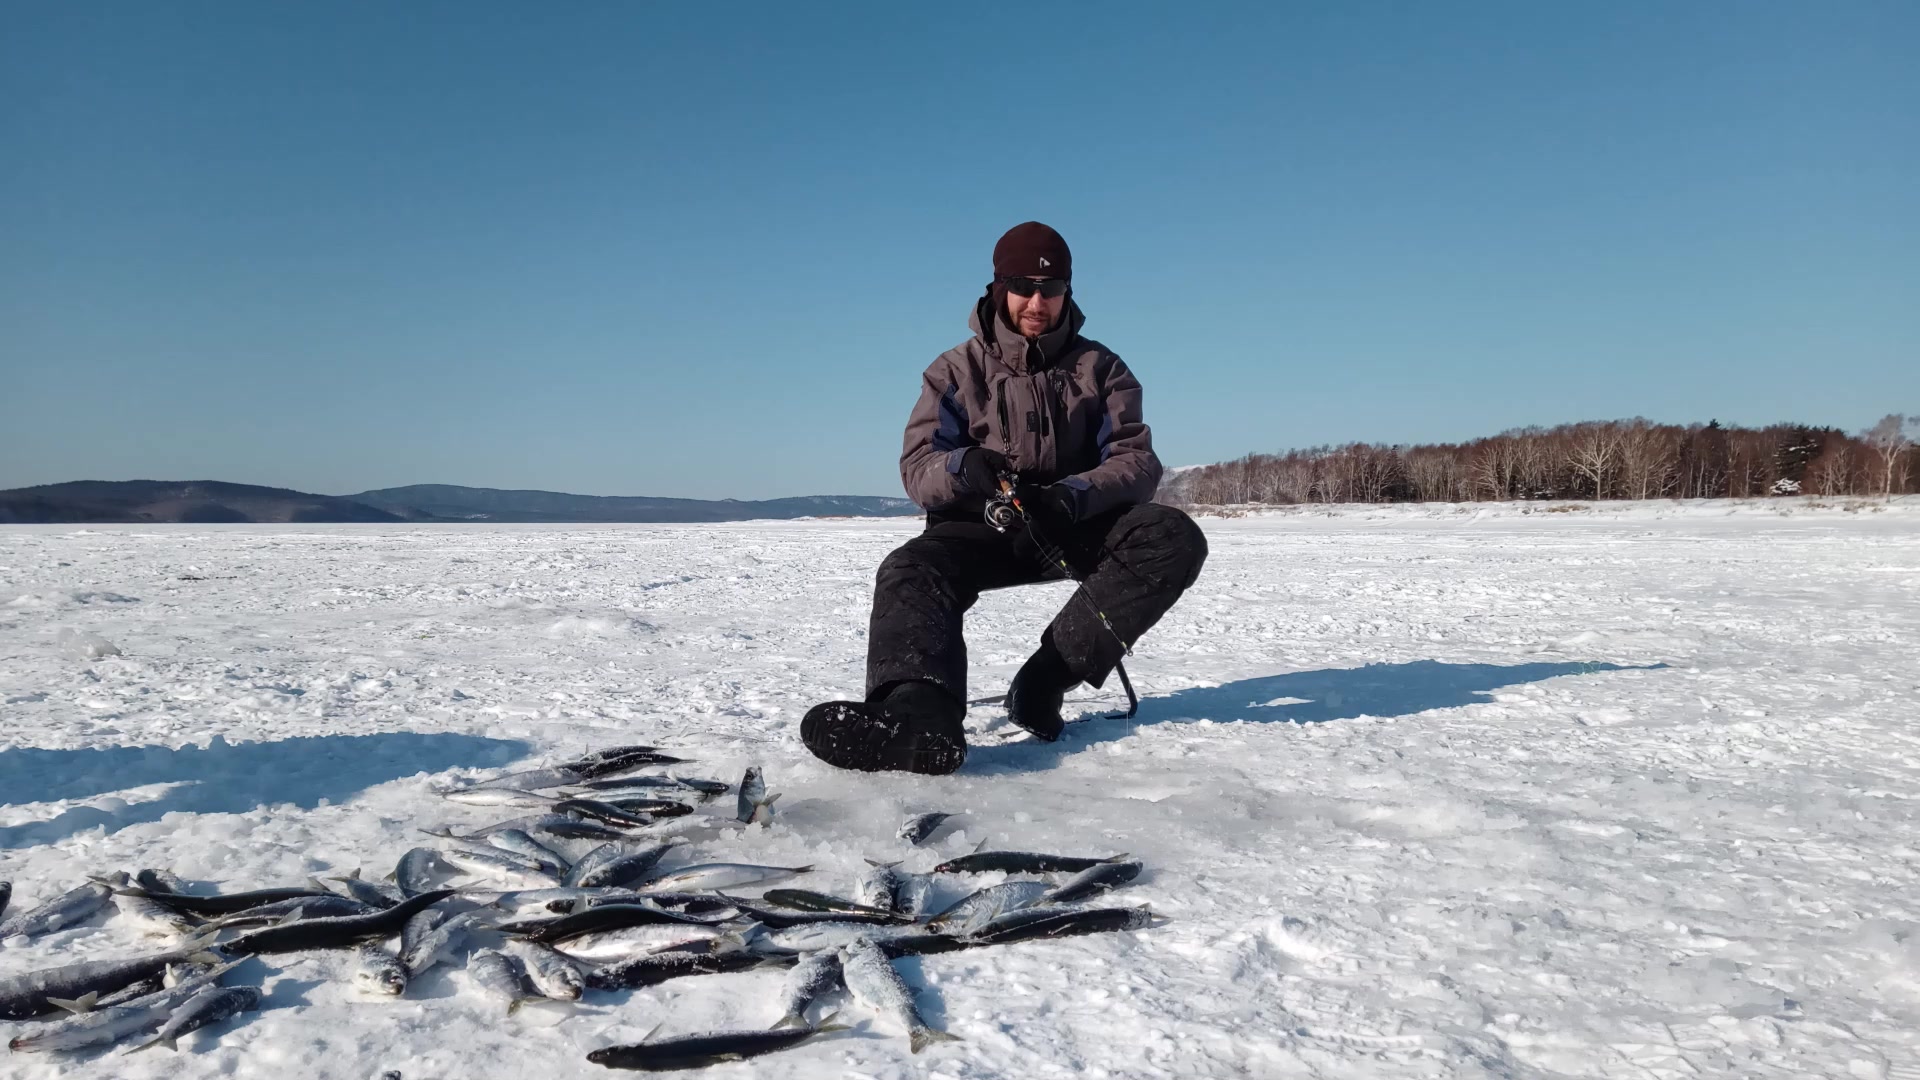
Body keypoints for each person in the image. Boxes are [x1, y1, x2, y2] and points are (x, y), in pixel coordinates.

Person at [800, 222, 1209, 775]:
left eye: (1052, 288)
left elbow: (1135, 460)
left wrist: (1073, 496)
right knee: (909, 568)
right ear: (999, 288)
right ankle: (920, 715)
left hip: (1069, 521)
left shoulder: (1102, 368)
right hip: (980, 528)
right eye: (1024, 286)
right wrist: (963, 467)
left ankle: (1044, 681)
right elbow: (918, 468)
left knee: (1171, 535)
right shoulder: (953, 370)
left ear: (1068, 290)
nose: (1038, 301)